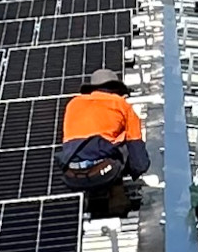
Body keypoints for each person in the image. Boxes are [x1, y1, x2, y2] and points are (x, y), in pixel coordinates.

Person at [56, 68, 149, 218]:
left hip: (72, 175)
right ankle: (117, 197)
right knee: (121, 143)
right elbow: (139, 159)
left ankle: (90, 196)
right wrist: (137, 172)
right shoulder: (121, 105)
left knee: (89, 149)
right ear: (117, 90)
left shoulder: (73, 104)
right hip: (105, 172)